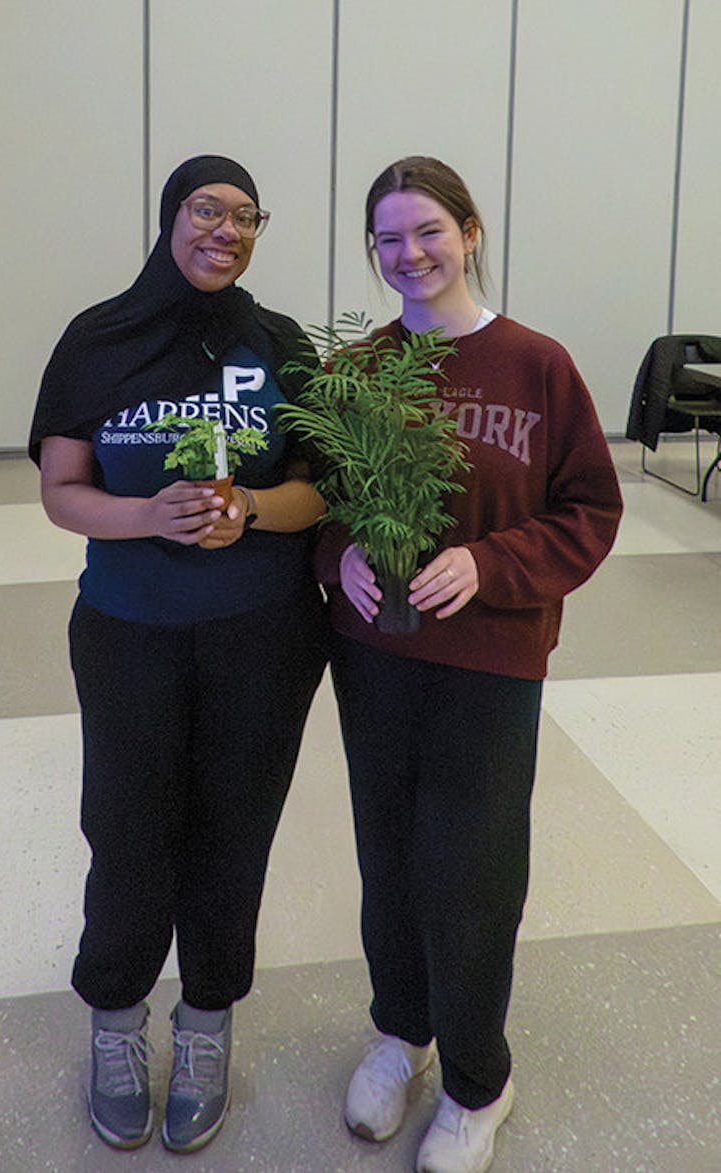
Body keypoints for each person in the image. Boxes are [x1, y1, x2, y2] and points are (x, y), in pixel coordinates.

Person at [314, 157, 623, 1173]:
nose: (407, 255)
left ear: (470, 232)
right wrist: (342, 554)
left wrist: (488, 564)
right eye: (387, 239)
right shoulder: (357, 372)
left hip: (491, 657)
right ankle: (400, 1031)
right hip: (376, 651)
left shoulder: (535, 366)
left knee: (471, 866)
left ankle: (475, 1078)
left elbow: (587, 509)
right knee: (387, 850)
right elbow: (322, 506)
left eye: (426, 232)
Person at [29, 155, 327, 1154]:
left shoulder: (277, 344)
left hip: (263, 635)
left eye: (246, 217)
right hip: (128, 631)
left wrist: (248, 511)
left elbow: (317, 490)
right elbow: (63, 488)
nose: (226, 230)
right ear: (169, 218)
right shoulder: (98, 340)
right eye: (208, 209)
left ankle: (205, 1020)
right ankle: (116, 1021)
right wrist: (143, 512)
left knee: (231, 830)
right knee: (125, 827)